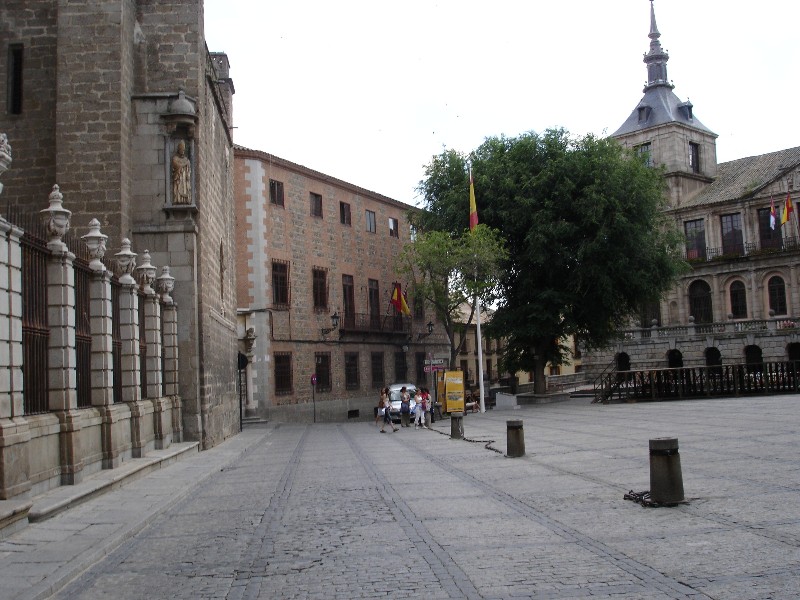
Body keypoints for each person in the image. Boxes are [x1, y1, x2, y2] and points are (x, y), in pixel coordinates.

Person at [171, 140, 191, 205]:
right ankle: (178, 200)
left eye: (183, 150)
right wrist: (184, 164)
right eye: (181, 149)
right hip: (178, 179)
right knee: (178, 189)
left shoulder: (186, 159)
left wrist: (188, 173)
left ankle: (186, 200)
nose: (183, 151)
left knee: (185, 188)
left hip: (184, 180)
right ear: (179, 149)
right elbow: (177, 165)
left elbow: (188, 169)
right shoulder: (175, 158)